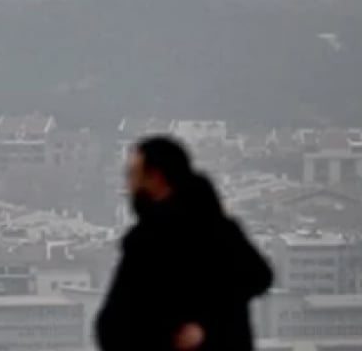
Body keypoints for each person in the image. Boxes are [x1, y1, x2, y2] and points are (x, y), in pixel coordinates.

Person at [96, 136, 273, 351]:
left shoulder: (155, 239)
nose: (130, 185)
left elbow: (257, 276)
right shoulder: (216, 227)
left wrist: (203, 325)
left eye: (134, 175)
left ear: (156, 177)